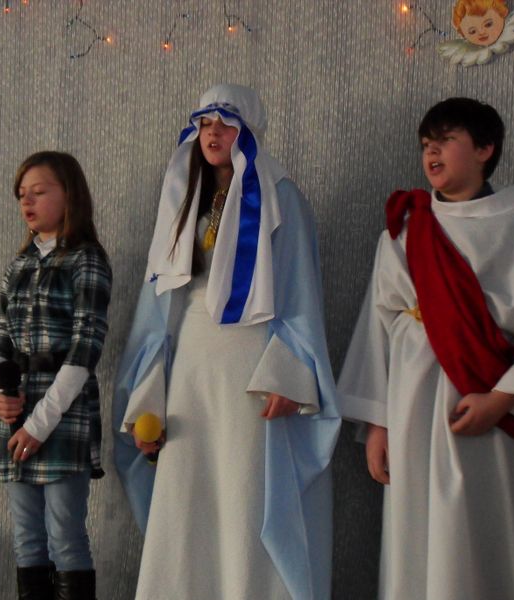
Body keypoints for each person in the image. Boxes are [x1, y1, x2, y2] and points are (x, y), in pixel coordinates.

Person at [337, 97, 514, 600]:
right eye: (426, 144)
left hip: (485, 404)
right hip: (411, 405)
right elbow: (378, 325)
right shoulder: (407, 227)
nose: (431, 153)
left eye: (446, 140)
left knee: (483, 525)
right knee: (418, 527)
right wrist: (379, 424)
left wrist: (499, 401)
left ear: (484, 149)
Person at [113, 84, 340, 600]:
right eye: (204, 123)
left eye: (225, 123)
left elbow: (300, 293)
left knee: (246, 492)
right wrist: (149, 395)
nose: (212, 133)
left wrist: (290, 375)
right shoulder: (181, 203)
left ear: (249, 131)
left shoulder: (282, 197)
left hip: (251, 372)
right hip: (192, 372)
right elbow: (159, 308)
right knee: (188, 496)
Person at [0, 151, 112, 600]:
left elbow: (84, 349)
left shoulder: (86, 261)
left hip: (62, 415)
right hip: (18, 415)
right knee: (26, 538)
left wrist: (40, 424)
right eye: (21, 195)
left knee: (65, 536)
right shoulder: (19, 266)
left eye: (38, 192)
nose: (27, 202)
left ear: (69, 195)